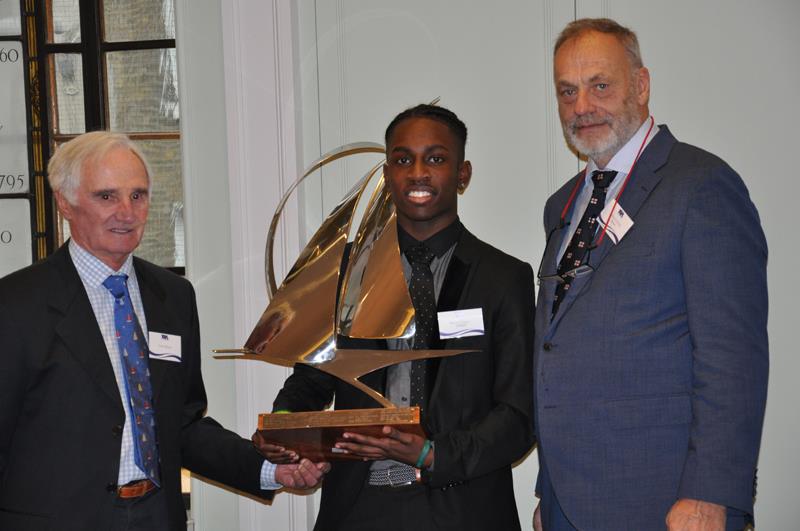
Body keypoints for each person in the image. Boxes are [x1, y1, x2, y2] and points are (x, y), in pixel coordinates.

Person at [0, 131, 329, 531]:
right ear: (65, 202)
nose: (126, 212)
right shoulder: (16, 304)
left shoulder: (173, 298)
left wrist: (268, 470)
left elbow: (182, 425)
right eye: (107, 196)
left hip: (158, 517)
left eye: (138, 196)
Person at [532, 18, 768, 531]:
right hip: (567, 501)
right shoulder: (562, 206)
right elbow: (556, 347)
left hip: (666, 503)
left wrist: (712, 494)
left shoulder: (702, 186)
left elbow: (733, 359)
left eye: (600, 85)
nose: (582, 107)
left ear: (640, 85)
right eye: (567, 92)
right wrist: (548, 488)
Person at [256, 104, 536, 530]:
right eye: (403, 160)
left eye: (436, 159)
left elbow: (519, 414)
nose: (418, 172)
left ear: (463, 175)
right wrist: (285, 429)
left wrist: (433, 454)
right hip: (357, 510)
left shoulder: (504, 278)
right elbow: (311, 381)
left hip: (464, 507)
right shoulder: (346, 274)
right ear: (387, 176)